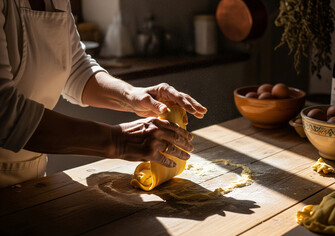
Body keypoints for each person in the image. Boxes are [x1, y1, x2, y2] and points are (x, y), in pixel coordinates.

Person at [0, 0, 207, 188]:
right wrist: (116, 141)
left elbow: (75, 66)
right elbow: (4, 112)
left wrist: (132, 96)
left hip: (32, 179)